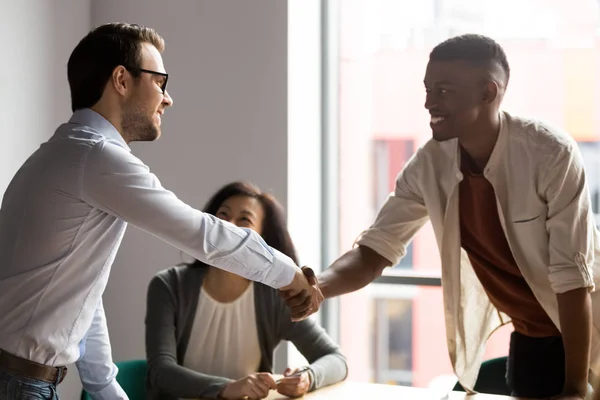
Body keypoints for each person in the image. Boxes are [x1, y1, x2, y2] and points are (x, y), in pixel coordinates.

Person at [0, 23, 316, 400]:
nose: (167, 99)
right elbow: (202, 234)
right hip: (20, 385)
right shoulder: (96, 156)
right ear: (121, 79)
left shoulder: (65, 153)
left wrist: (104, 388)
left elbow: (82, 293)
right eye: (160, 81)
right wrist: (288, 274)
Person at [282, 33, 600, 400]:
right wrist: (318, 287)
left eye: (443, 91)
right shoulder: (429, 165)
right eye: (428, 89)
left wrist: (576, 387)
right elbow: (374, 250)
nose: (429, 102)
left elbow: (572, 278)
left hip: (587, 328)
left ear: (487, 93)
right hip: (531, 336)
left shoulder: (549, 153)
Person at [145, 181, 348, 399]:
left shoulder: (273, 296)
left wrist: (307, 378)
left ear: (264, 240)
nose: (228, 226)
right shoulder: (169, 285)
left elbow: (336, 359)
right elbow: (160, 372)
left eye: (244, 220)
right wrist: (226, 388)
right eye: (222, 215)